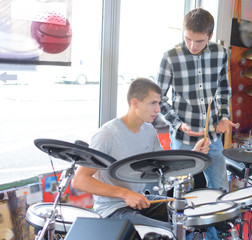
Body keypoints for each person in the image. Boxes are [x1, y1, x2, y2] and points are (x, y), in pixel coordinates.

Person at [71, 78, 209, 230]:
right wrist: (125, 194)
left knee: (189, 215)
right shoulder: (107, 134)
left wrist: (195, 153)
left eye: (158, 103)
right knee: (168, 231)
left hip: (140, 201)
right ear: (135, 103)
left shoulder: (148, 130)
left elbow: (167, 167)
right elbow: (79, 180)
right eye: (152, 103)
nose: (158, 109)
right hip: (112, 210)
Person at [157, 8, 237, 193]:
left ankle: (214, 224)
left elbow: (224, 90)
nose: (192, 45)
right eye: (188, 39)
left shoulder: (221, 53)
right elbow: (159, 99)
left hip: (212, 137)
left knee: (220, 189)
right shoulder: (170, 57)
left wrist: (224, 116)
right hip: (183, 138)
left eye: (199, 40)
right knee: (180, 192)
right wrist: (177, 124)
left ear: (210, 36)